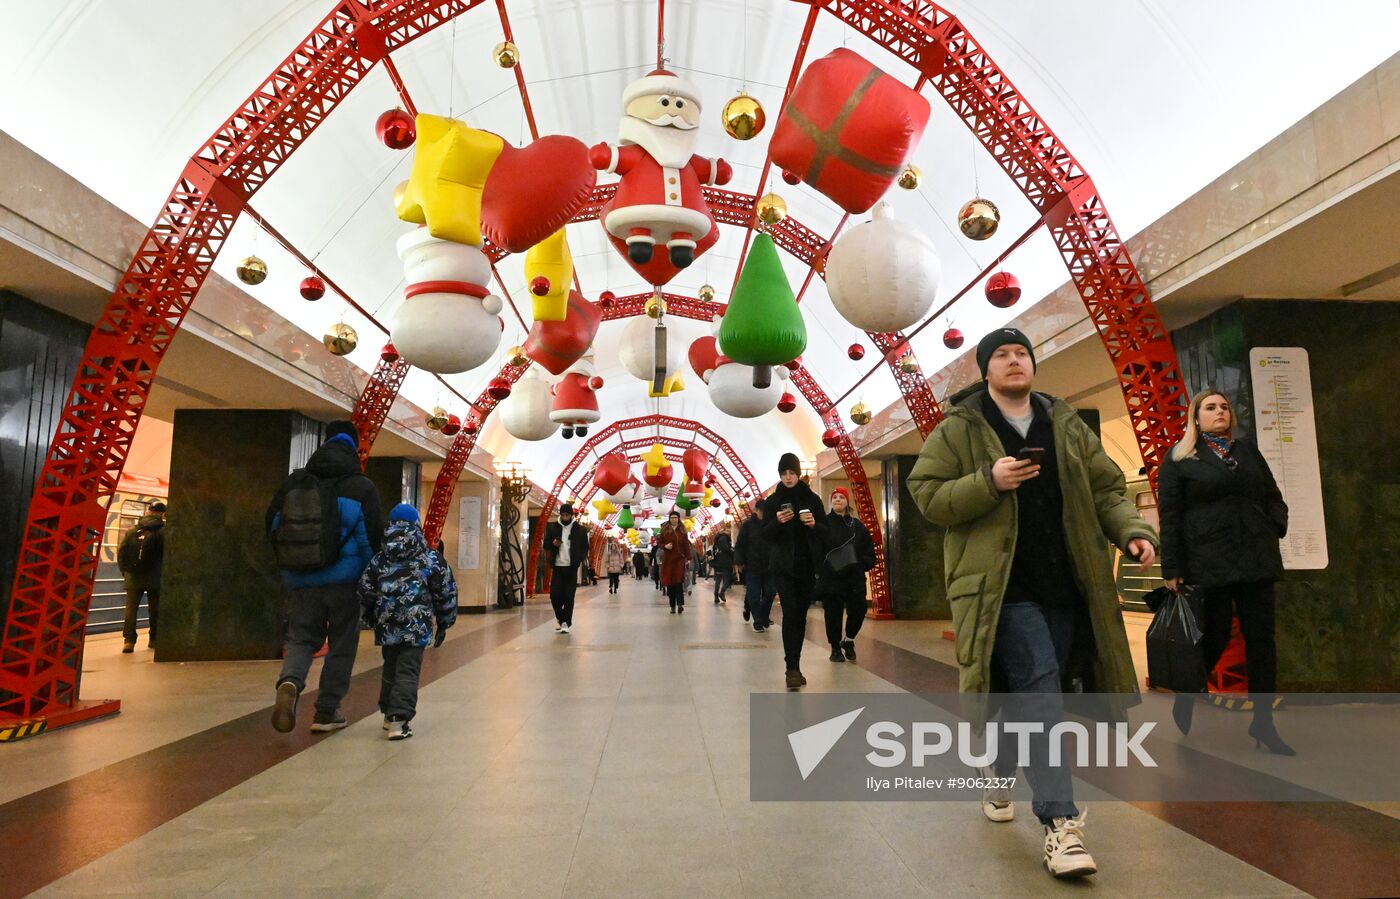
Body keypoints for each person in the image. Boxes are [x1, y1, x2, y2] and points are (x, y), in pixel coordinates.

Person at [908, 328, 1158, 880]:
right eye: (1002, 355)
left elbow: (1107, 490)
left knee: (1028, 695)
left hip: (1068, 584)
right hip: (1003, 590)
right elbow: (926, 494)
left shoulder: (1064, 423)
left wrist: (1131, 531)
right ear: (985, 369)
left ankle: (999, 770)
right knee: (1040, 691)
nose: (1015, 361)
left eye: (1022, 353)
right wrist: (988, 481)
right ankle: (1061, 825)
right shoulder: (960, 428)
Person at [1158, 388, 1293, 755]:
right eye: (1210, 407)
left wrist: (1274, 524)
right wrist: (1171, 567)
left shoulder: (1246, 450)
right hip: (1209, 559)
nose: (1220, 412)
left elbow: (1272, 494)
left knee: (1262, 640)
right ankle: (1189, 691)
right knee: (1214, 636)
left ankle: (1263, 722)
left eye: (1224, 407)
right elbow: (1170, 517)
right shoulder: (1180, 457)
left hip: (1255, 555)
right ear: (1195, 417)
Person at [267, 421, 382, 734]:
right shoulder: (361, 487)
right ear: (354, 448)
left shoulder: (295, 484)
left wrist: (289, 565)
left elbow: (272, 525)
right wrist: (373, 581)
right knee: (342, 645)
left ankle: (290, 681)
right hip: (346, 583)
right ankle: (326, 711)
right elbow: (373, 541)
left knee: (301, 638)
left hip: (301, 578)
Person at [357, 504, 457, 741]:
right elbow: (445, 591)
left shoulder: (379, 558)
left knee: (391, 667)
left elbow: (365, 590)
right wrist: (445, 621)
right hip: (416, 626)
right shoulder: (430, 558)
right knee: (408, 670)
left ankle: (387, 712)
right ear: (416, 525)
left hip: (387, 624)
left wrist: (371, 617)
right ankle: (398, 720)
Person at [757, 453, 825, 690]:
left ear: (798, 474)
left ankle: (795, 664)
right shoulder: (773, 502)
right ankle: (792, 668)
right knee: (790, 613)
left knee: (801, 616)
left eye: (792, 473)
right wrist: (776, 521)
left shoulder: (812, 499)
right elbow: (764, 534)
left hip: (806, 566)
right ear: (780, 475)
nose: (788, 477)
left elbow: (824, 529)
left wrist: (814, 524)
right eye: (784, 473)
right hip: (783, 567)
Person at [815, 487, 877, 663]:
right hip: (832, 578)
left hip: (854, 577)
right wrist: (821, 568)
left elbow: (868, 550)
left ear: (847, 501)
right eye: (834, 497)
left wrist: (862, 563)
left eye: (841, 497)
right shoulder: (824, 524)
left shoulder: (857, 526)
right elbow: (817, 549)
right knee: (833, 614)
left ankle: (848, 640)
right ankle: (835, 647)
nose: (838, 500)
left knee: (858, 610)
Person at [117, 501, 166, 653]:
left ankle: (129, 641)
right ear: (162, 514)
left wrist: (125, 573)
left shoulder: (132, 531)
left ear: (148, 512)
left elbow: (121, 553)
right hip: (156, 577)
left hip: (133, 576)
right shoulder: (165, 531)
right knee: (155, 610)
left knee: (131, 610)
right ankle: (154, 639)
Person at [543, 503, 589, 634]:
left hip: (571, 567)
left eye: (567, 515)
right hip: (557, 566)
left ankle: (565, 622)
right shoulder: (552, 528)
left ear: (571, 515)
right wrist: (553, 544)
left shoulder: (580, 530)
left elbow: (585, 547)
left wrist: (579, 558)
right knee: (555, 595)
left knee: (569, 596)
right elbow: (546, 544)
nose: (564, 517)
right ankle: (561, 618)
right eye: (562, 515)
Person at [735, 504, 774, 632]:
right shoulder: (748, 525)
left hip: (770, 566)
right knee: (754, 595)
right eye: (761, 511)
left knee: (770, 592)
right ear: (756, 511)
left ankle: (764, 616)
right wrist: (739, 562)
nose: (764, 513)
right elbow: (740, 544)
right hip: (752, 565)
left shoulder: (771, 523)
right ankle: (758, 622)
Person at [658, 511, 690, 613]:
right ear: (669, 518)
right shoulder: (664, 530)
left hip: (679, 560)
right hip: (668, 560)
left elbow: (686, 546)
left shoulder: (682, 531)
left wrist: (688, 558)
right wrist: (665, 546)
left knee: (678, 582)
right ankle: (672, 605)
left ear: (678, 518)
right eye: (672, 517)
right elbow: (659, 543)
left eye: (676, 517)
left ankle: (680, 604)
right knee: (670, 584)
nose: (674, 519)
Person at [710, 531, 735, 605]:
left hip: (717, 564)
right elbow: (726, 549)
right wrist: (732, 552)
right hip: (725, 564)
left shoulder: (716, 542)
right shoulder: (724, 539)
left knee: (717, 581)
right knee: (728, 579)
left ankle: (716, 597)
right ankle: (722, 592)